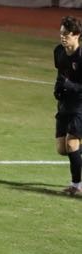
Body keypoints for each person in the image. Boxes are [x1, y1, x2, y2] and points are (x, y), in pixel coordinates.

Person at [53, 15, 82, 196]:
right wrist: (58, 89)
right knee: (62, 149)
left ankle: (76, 185)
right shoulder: (59, 51)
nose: (62, 37)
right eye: (61, 33)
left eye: (67, 34)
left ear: (77, 35)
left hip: (80, 104)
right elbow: (61, 74)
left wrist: (69, 86)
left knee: (71, 144)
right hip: (65, 104)